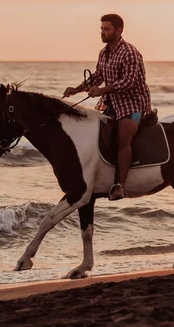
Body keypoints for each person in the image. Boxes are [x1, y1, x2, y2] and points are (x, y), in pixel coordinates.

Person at [64, 14, 151, 201]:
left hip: (133, 102)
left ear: (119, 31)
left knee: (123, 136)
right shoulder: (104, 52)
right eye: (102, 29)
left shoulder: (130, 52)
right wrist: (77, 89)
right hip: (111, 102)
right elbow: (98, 75)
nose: (102, 32)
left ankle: (120, 185)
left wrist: (102, 89)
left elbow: (129, 82)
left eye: (107, 29)